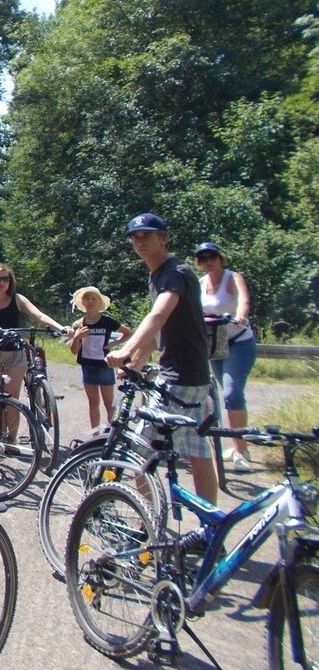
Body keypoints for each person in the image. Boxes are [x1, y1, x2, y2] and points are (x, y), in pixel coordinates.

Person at [107, 214, 218, 505]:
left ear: (164, 239)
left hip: (179, 379)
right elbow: (159, 332)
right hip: (193, 376)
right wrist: (137, 365)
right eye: (135, 237)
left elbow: (158, 315)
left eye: (147, 235)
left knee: (138, 454)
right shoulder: (160, 273)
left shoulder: (174, 272)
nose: (140, 241)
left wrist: (125, 350)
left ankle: (148, 527)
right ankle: (211, 527)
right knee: (198, 451)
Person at [0, 263, 72, 411]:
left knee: (12, 400)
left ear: (10, 281)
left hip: (15, 353)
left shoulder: (18, 299)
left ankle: (11, 435)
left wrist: (61, 327)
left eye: (5, 279)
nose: (1, 283)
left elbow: (39, 315)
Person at [195, 241, 257, 473]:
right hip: (215, 344)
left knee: (232, 393)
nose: (208, 262)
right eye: (203, 259)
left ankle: (241, 449)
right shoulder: (201, 283)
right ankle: (235, 443)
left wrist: (240, 316)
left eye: (212, 257)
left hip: (239, 341)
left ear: (221, 258)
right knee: (224, 395)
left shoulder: (232, 277)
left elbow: (243, 299)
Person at [68, 286, 132, 428]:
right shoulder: (79, 324)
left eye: (93, 299)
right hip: (87, 366)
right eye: (87, 298)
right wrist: (77, 337)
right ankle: (95, 435)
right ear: (82, 302)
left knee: (109, 403)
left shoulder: (107, 322)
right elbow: (74, 351)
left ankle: (112, 434)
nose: (90, 301)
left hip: (104, 366)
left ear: (99, 302)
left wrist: (113, 344)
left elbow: (128, 333)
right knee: (93, 403)